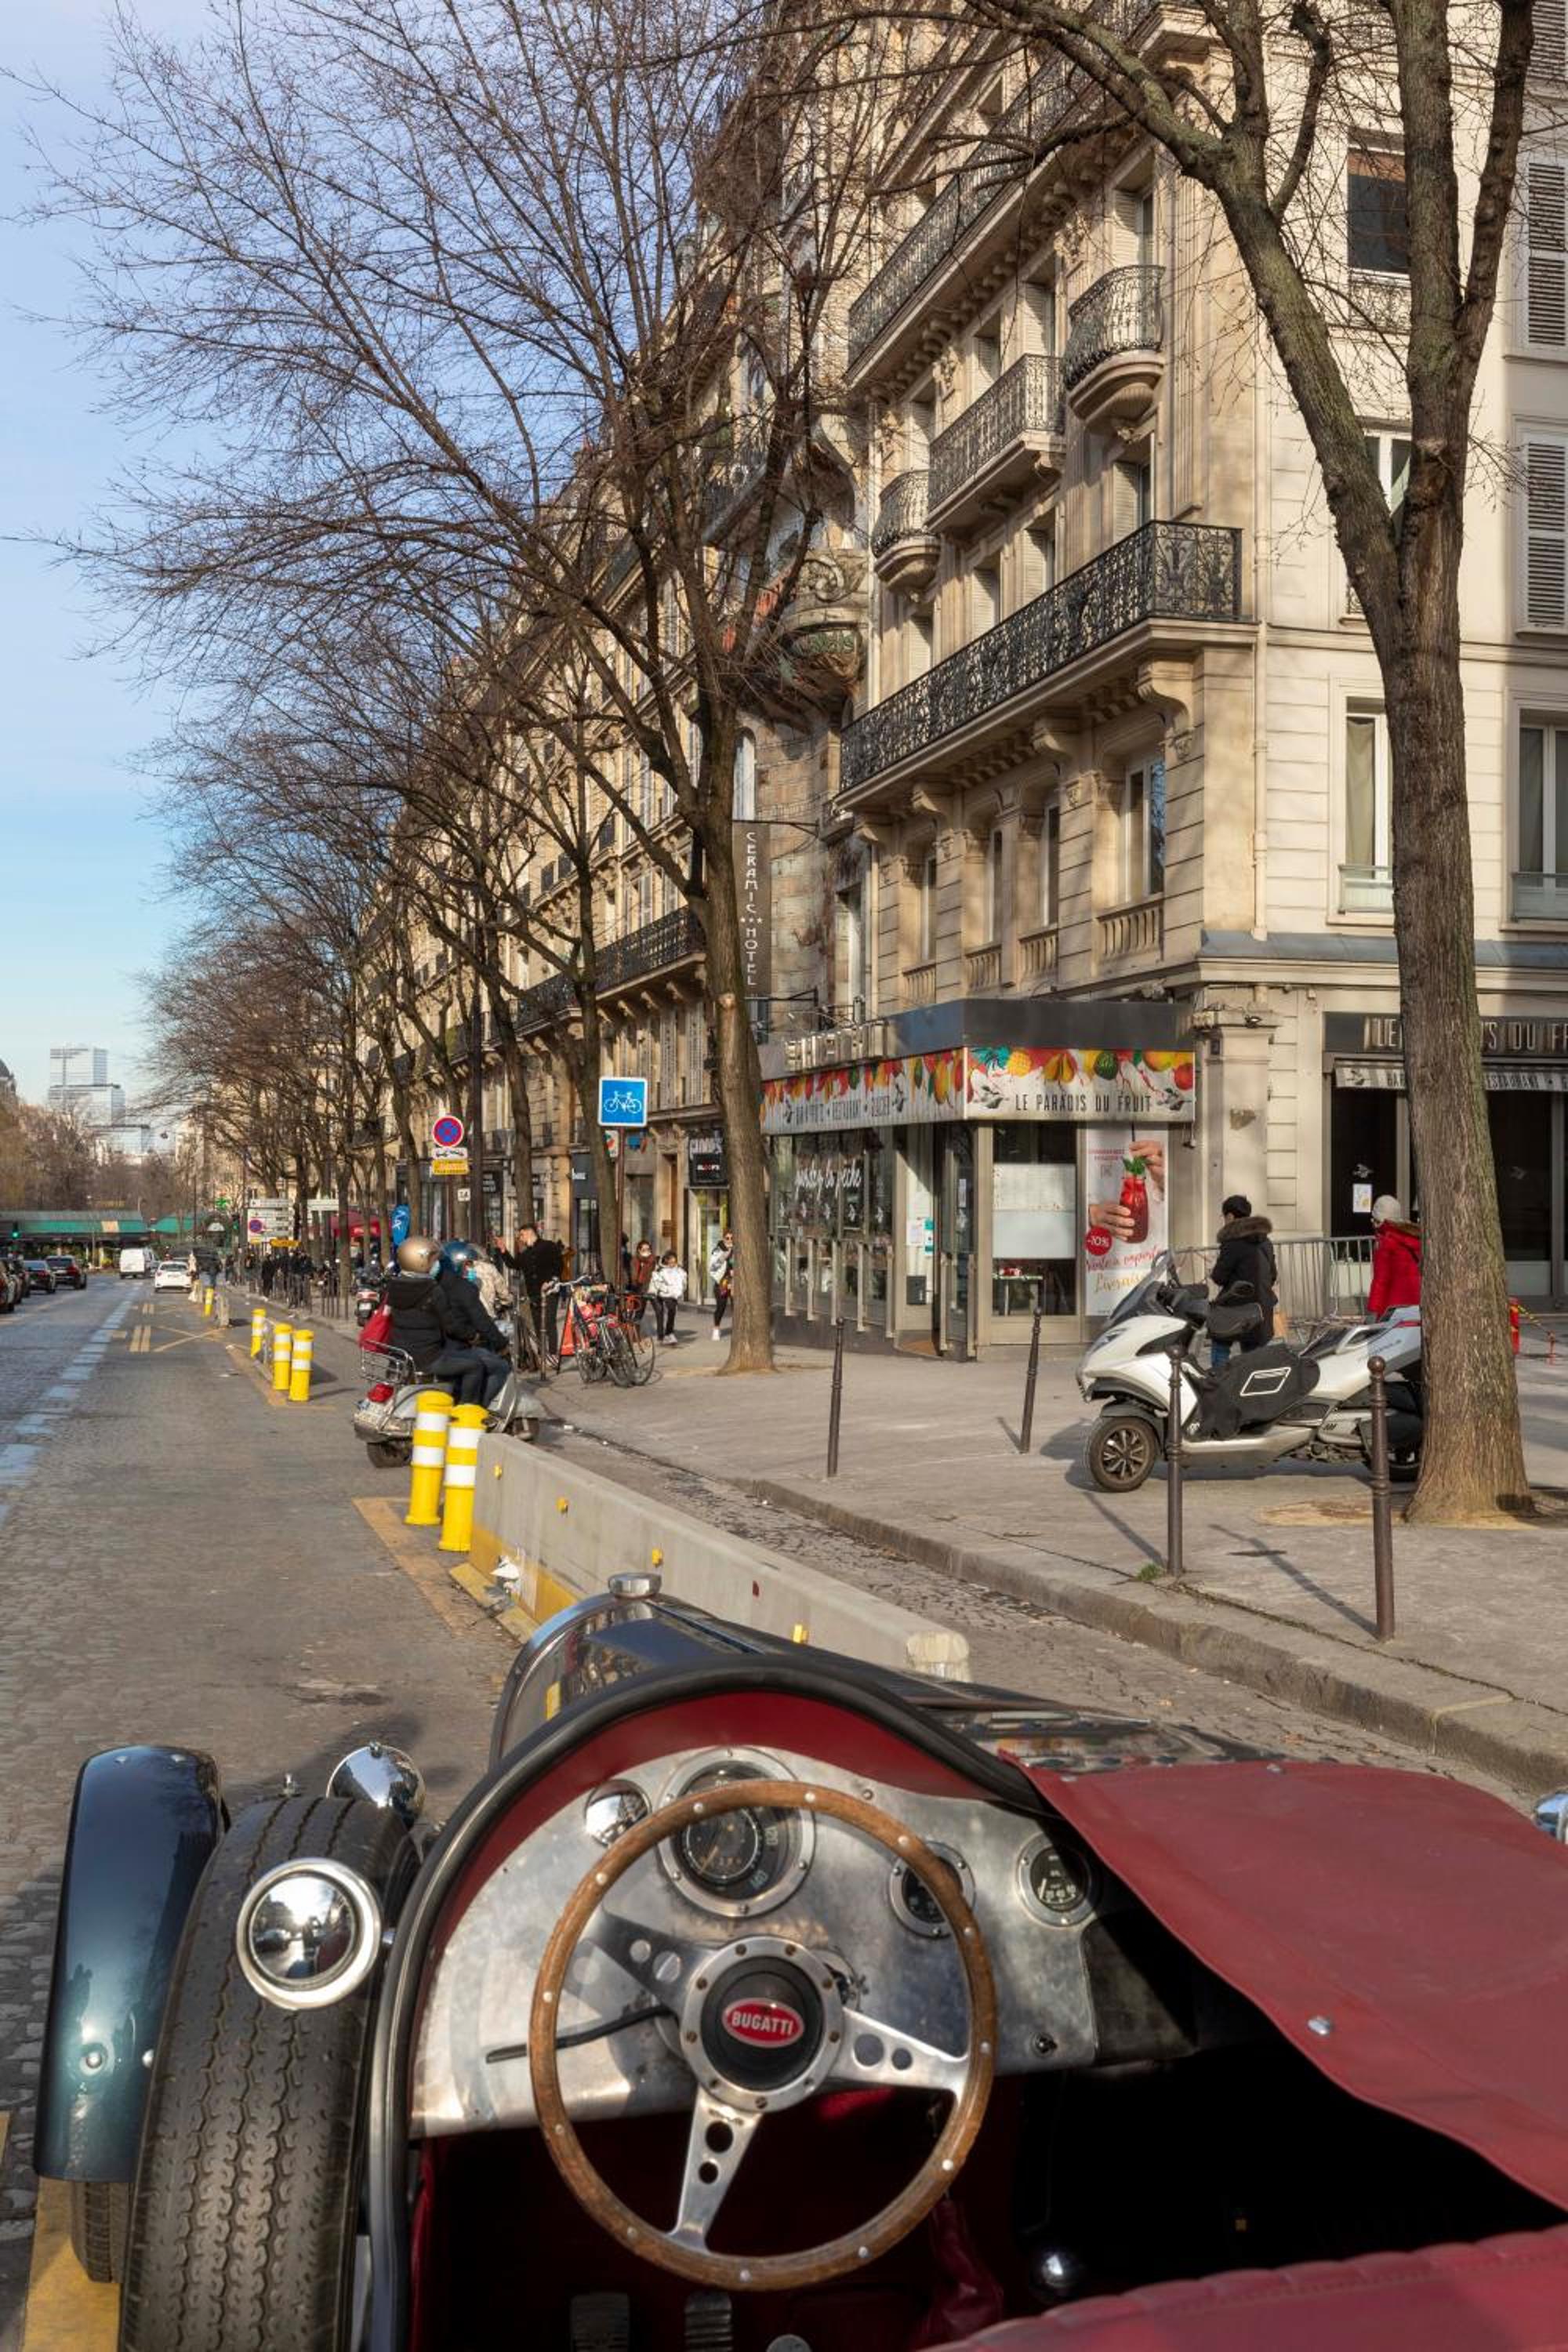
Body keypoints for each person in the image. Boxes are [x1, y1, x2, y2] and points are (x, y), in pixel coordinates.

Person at [384, 1235, 492, 1406]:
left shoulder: (394, 1286)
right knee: (475, 1366)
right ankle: (465, 1412)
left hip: (400, 1354)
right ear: (420, 1262)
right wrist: (473, 1335)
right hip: (427, 1358)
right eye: (433, 1260)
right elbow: (452, 1326)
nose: (436, 1265)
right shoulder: (433, 1290)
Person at [436, 1240, 511, 1407]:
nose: (470, 1269)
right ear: (456, 1264)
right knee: (499, 1367)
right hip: (456, 1348)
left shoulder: (434, 1284)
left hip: (434, 1347)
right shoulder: (463, 1288)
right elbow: (482, 1322)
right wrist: (501, 1344)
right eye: (467, 1265)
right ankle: (476, 1408)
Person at [1209, 1195, 1277, 1362]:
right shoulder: (1265, 1241)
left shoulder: (1232, 1242)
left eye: (1224, 1216)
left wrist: (1214, 1269)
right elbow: (1273, 1275)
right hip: (1261, 1307)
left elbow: (1219, 1277)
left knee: (1220, 1341)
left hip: (1237, 1307)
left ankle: (1220, 1375)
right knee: (1252, 1356)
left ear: (1230, 1216)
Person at [510, 1220, 564, 1359]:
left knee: (550, 1322)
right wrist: (503, 1251)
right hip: (534, 1294)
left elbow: (559, 1266)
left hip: (550, 1292)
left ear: (529, 1233)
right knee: (538, 1325)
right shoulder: (525, 1253)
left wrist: (550, 1281)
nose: (520, 1238)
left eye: (521, 1235)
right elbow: (514, 1265)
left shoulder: (549, 1246)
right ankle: (542, 1355)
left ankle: (552, 1354)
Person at [1367, 1194, 1423, 1319]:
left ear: (1378, 1220)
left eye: (1373, 1219)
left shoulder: (1386, 1241)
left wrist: (1373, 1311)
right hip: (1417, 1303)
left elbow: (1380, 1281)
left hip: (1393, 1307)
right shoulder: (1413, 1236)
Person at [647, 1250, 687, 1341]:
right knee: (659, 1311)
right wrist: (667, 1289)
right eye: (671, 1261)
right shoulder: (660, 1270)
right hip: (657, 1293)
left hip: (670, 1294)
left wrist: (678, 1291)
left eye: (674, 1261)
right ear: (666, 1260)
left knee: (672, 1309)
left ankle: (669, 1332)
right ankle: (660, 1335)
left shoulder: (679, 1271)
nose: (673, 1264)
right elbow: (657, 1283)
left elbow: (683, 1284)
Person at [708, 1229, 734, 1339]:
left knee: (736, 1306)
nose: (730, 1240)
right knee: (721, 1306)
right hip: (722, 1282)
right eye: (727, 1238)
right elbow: (712, 1267)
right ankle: (716, 1328)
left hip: (734, 1282)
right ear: (723, 1239)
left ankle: (737, 1329)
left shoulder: (738, 1250)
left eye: (732, 1238)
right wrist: (724, 1256)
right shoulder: (717, 1251)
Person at [628, 1238, 657, 1323]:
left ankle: (637, 1322)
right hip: (635, 1286)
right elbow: (633, 1273)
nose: (646, 1251)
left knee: (641, 1308)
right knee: (633, 1307)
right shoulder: (635, 1260)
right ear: (639, 1250)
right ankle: (631, 1324)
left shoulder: (653, 1260)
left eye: (648, 1249)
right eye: (644, 1250)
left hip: (647, 1286)